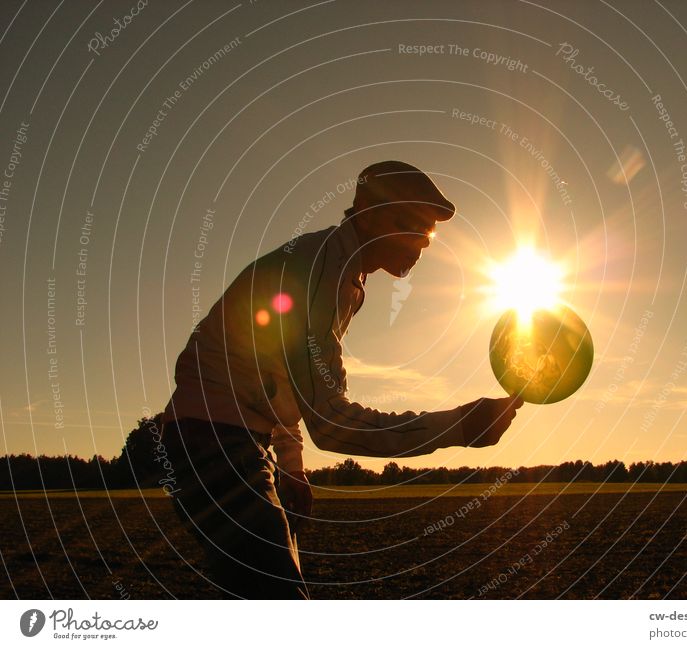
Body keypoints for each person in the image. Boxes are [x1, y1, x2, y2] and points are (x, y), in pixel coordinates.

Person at [160, 160, 523, 599]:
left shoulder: (342, 275)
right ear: (368, 212)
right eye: (412, 225)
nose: (422, 245)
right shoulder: (319, 272)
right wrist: (459, 425)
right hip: (211, 442)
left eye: (430, 234)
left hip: (235, 441)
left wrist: (291, 468)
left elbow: (281, 380)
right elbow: (330, 422)